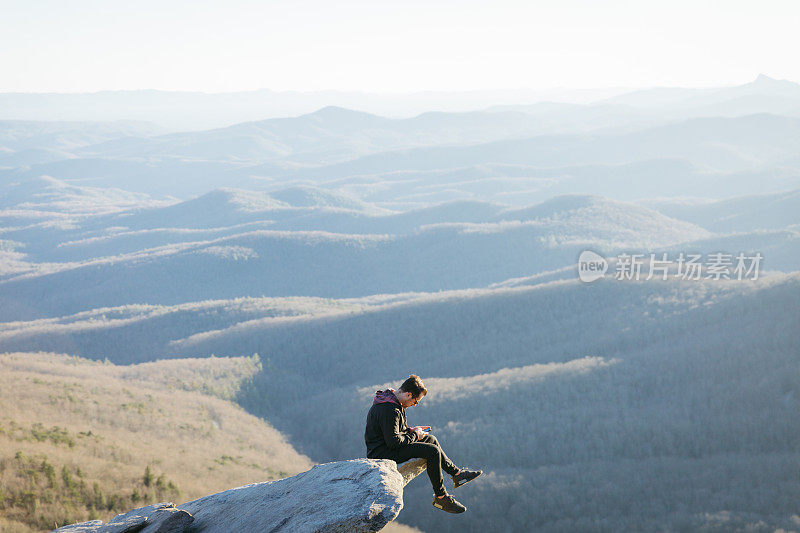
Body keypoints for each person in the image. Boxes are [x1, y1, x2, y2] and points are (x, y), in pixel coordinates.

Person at [364, 374, 482, 514]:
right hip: (382, 454)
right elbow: (394, 442)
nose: (414, 405)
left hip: (385, 447)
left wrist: (410, 430)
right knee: (432, 451)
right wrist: (415, 435)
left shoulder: (391, 401)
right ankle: (441, 497)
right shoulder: (390, 409)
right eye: (416, 401)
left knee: (431, 440)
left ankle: (457, 474)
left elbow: (391, 431)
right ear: (409, 394)